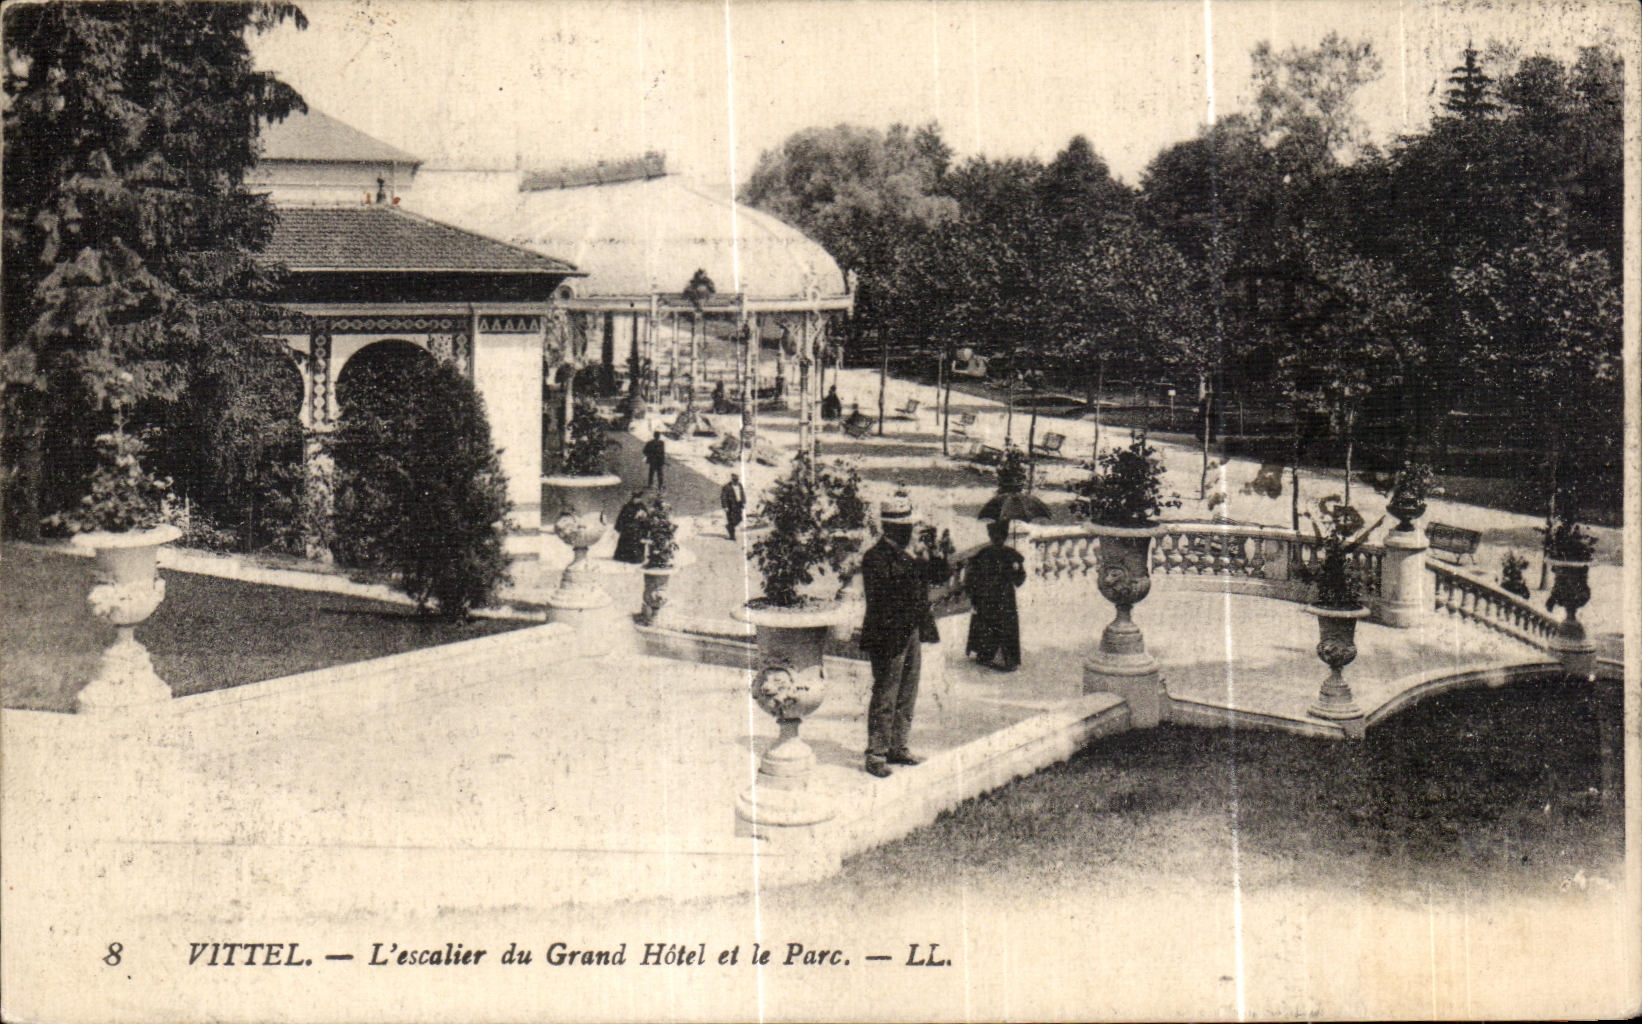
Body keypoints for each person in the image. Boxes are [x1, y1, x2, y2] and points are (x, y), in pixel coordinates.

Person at [858, 494, 950, 778]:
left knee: (907, 691)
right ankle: (876, 754)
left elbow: (939, 575)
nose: (910, 530)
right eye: (906, 526)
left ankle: (898, 746)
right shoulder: (876, 557)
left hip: (909, 631)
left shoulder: (908, 555)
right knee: (886, 693)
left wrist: (934, 552)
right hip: (887, 635)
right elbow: (891, 590)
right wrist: (913, 557)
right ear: (891, 528)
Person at [965, 519, 1027, 671]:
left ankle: (993, 656)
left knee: (994, 625)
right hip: (998, 599)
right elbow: (1019, 579)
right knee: (997, 625)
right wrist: (1017, 569)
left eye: (1000, 536)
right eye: (996, 536)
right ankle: (995, 657)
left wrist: (1017, 568)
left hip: (995, 598)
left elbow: (1019, 579)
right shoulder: (998, 555)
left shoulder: (1003, 555)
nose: (998, 539)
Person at [612, 490, 650, 564]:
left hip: (639, 529)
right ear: (633, 498)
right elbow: (622, 517)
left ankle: (637, 558)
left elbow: (647, 518)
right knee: (627, 543)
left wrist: (644, 518)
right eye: (636, 498)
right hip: (628, 529)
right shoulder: (627, 506)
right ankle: (623, 558)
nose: (637, 500)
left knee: (638, 543)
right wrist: (634, 516)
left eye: (639, 498)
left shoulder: (642, 506)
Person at [720, 473, 746, 539]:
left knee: (739, 518)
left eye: (737, 480)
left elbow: (742, 493)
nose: (736, 481)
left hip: (738, 505)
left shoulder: (740, 485)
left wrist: (744, 502)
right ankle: (732, 536)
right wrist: (725, 506)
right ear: (732, 480)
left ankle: (729, 527)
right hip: (730, 506)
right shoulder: (726, 487)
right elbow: (723, 497)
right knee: (731, 520)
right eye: (734, 480)